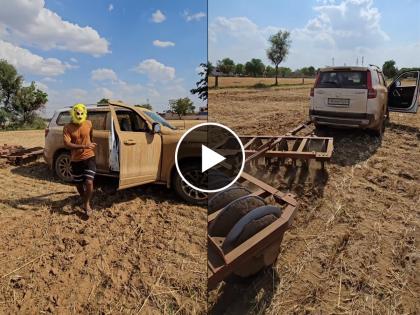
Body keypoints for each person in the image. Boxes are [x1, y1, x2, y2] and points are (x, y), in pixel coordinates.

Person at [63, 103, 97, 216]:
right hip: (76, 160)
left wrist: (90, 144)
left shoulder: (89, 123)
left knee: (89, 181)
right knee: (78, 184)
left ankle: (86, 204)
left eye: (82, 113)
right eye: (77, 113)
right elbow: (67, 144)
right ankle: (83, 198)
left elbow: (91, 136)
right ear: (73, 113)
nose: (80, 115)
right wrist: (83, 146)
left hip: (89, 156)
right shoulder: (67, 127)